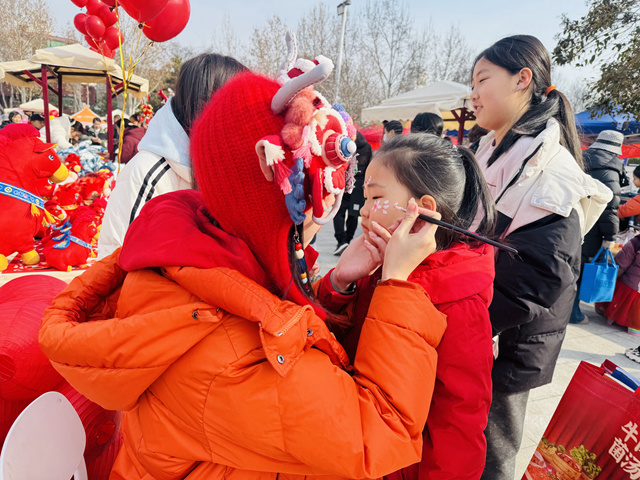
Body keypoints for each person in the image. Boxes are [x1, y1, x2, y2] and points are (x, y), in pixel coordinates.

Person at [39, 66, 447, 479]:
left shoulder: (205, 264)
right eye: (309, 201)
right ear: (266, 201)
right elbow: (379, 432)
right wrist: (397, 285)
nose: (317, 217)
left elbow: (287, 337)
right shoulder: (227, 355)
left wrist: (336, 285)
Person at [470, 35, 612, 480]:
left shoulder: (548, 168)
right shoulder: (493, 149)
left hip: (507, 341)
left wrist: (469, 320)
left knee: (491, 453)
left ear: (522, 80)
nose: (473, 94)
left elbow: (542, 275)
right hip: (477, 325)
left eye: (482, 80)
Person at [325, 133, 496, 480]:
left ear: (422, 211)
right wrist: (339, 285)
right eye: (365, 198)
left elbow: (459, 421)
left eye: (376, 198)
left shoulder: (458, 300)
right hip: (357, 447)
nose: (364, 210)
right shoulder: (383, 268)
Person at [97, 53, 248, 259]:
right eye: (236, 106)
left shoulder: (226, 167)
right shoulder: (145, 172)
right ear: (205, 105)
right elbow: (114, 260)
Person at [571, 130, 624, 324]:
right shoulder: (610, 170)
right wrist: (610, 236)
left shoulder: (581, 158)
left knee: (569, 268)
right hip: (591, 228)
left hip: (570, 221)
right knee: (581, 270)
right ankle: (573, 313)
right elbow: (610, 208)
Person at [333, 131, 372, 255]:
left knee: (339, 211)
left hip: (344, 182)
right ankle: (347, 240)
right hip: (359, 184)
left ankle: (342, 241)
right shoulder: (367, 147)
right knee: (353, 214)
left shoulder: (343, 144)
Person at [595, 236, 640, 336]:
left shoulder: (636, 243)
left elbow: (621, 263)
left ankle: (613, 317)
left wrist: (611, 278)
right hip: (634, 286)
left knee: (623, 284)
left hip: (629, 287)